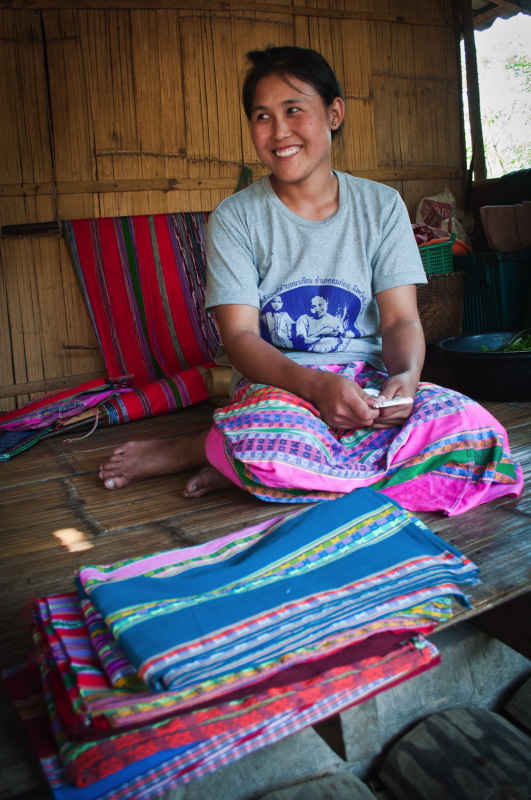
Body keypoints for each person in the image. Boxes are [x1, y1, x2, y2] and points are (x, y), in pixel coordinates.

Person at [99, 46, 523, 515]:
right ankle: (201, 448)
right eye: (262, 116)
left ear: (334, 112)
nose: (279, 131)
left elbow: (401, 319)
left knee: (472, 429)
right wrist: (316, 387)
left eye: (294, 110)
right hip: (280, 387)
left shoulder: (381, 207)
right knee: (273, 433)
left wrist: (404, 378)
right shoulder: (236, 218)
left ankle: (242, 461)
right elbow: (239, 338)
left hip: (368, 383)